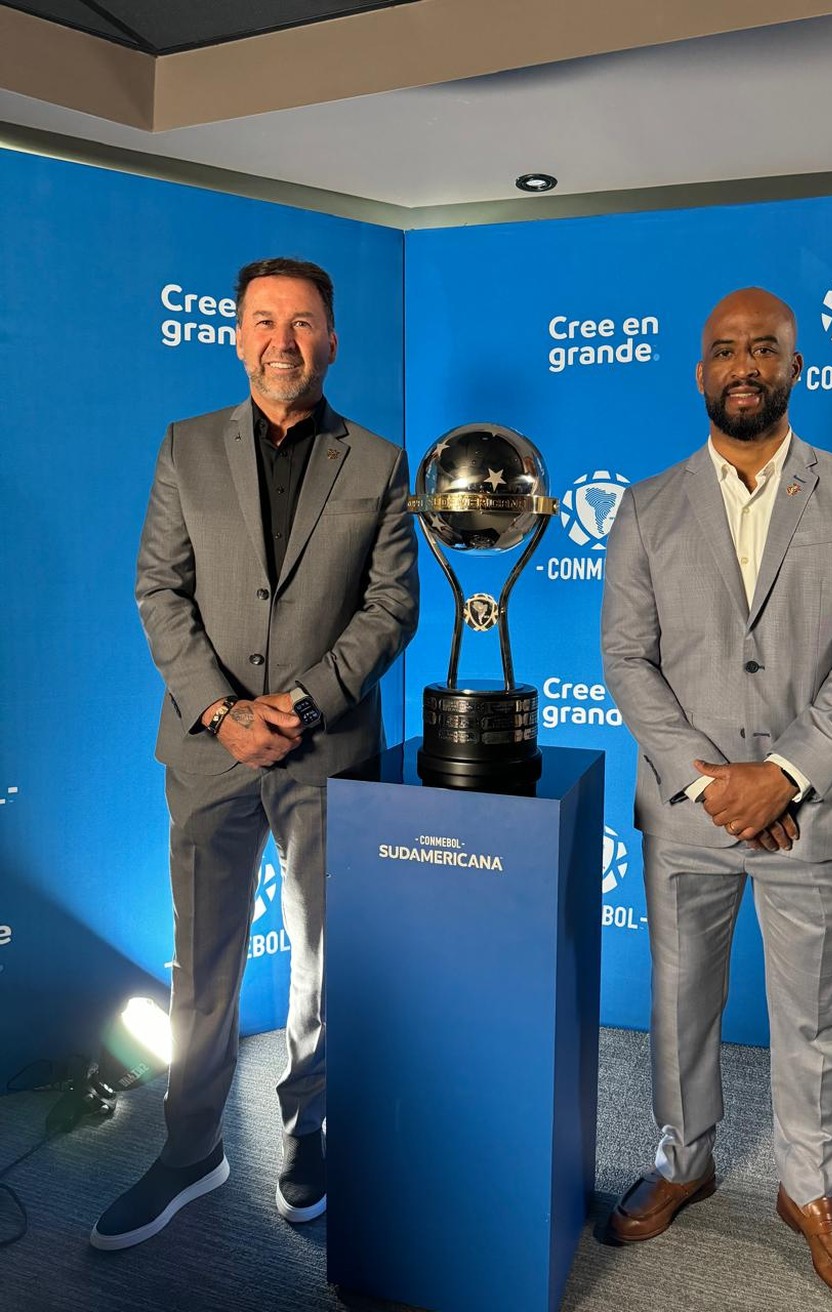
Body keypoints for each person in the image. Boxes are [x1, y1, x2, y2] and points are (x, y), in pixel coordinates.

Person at [91, 257, 419, 1250]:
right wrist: (225, 712)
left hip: (325, 754)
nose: (284, 339)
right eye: (264, 321)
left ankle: (308, 1131)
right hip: (208, 751)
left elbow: (392, 604)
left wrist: (302, 702)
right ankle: (191, 1146)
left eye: (304, 322)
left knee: (324, 961)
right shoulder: (186, 448)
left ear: (331, 339)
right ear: (237, 337)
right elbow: (159, 590)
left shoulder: (380, 461)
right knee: (204, 960)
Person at [600, 287, 832, 1306]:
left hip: (807, 813)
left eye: (765, 348)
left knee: (809, 1017)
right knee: (680, 1001)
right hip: (687, 813)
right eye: (725, 348)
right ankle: (685, 1160)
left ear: (796, 365)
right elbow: (627, 661)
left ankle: (809, 1193)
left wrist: (779, 776)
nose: (745, 364)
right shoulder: (644, 505)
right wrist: (711, 780)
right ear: (699, 371)